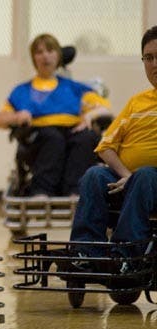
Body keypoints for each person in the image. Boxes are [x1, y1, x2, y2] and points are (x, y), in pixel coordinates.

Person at [69, 26, 157, 268]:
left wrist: (136, 178)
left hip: (151, 180)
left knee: (146, 176)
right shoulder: (136, 103)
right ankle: (86, 252)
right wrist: (128, 177)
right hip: (129, 181)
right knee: (94, 175)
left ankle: (124, 255)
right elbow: (105, 146)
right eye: (148, 58)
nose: (154, 63)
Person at [0, 33, 112, 197]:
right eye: (39, 52)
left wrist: (90, 116)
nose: (45, 56)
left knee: (86, 137)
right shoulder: (22, 91)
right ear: (34, 58)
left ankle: (75, 192)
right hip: (41, 135)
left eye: (50, 50)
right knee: (53, 138)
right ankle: (41, 191)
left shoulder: (75, 88)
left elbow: (105, 110)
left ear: (58, 55)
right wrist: (17, 116)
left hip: (72, 130)